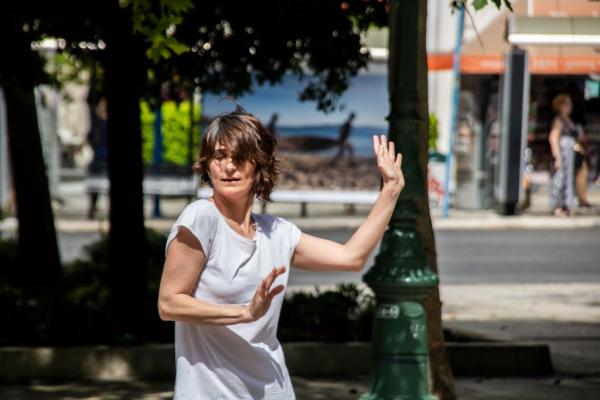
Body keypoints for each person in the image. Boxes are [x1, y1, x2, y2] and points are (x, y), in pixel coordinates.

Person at [157, 105, 404, 399]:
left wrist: (391, 189)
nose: (229, 166)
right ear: (208, 165)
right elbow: (169, 303)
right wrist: (244, 313)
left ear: (259, 165)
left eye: (239, 156)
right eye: (219, 156)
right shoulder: (201, 217)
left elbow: (352, 258)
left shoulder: (277, 232)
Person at [548, 94, 579, 217]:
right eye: (566, 104)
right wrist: (557, 157)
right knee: (560, 179)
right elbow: (553, 137)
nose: (569, 107)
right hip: (562, 153)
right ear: (560, 106)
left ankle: (567, 205)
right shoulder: (559, 120)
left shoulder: (568, 120)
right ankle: (557, 206)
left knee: (568, 179)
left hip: (570, 154)